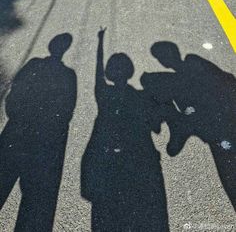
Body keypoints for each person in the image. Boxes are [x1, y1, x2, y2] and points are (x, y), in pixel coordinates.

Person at [81, 28, 169, 231]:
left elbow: (97, 70)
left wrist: (100, 41)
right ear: (130, 71)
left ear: (108, 74)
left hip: (107, 158)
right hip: (140, 157)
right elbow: (156, 126)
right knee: (139, 207)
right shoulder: (141, 96)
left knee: (110, 213)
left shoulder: (102, 93)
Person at [141, 41, 236, 210]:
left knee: (228, 172)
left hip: (220, 127)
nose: (163, 61)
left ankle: (180, 126)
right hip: (221, 125)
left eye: (161, 57)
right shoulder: (191, 63)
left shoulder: (184, 69)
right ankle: (181, 126)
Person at [0, 33, 77, 231]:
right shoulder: (69, 75)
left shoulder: (34, 64)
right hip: (45, 140)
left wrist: (15, 116)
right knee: (35, 200)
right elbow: (67, 111)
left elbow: (14, 91)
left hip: (16, 131)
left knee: (4, 177)